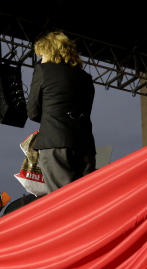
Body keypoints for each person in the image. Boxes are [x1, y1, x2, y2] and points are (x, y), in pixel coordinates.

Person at [26, 31, 97, 192]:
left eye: (42, 54)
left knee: (62, 199)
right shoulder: (85, 77)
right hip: (85, 146)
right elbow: (85, 111)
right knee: (83, 198)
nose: (41, 58)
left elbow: (32, 111)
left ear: (48, 51)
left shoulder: (43, 70)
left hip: (55, 143)